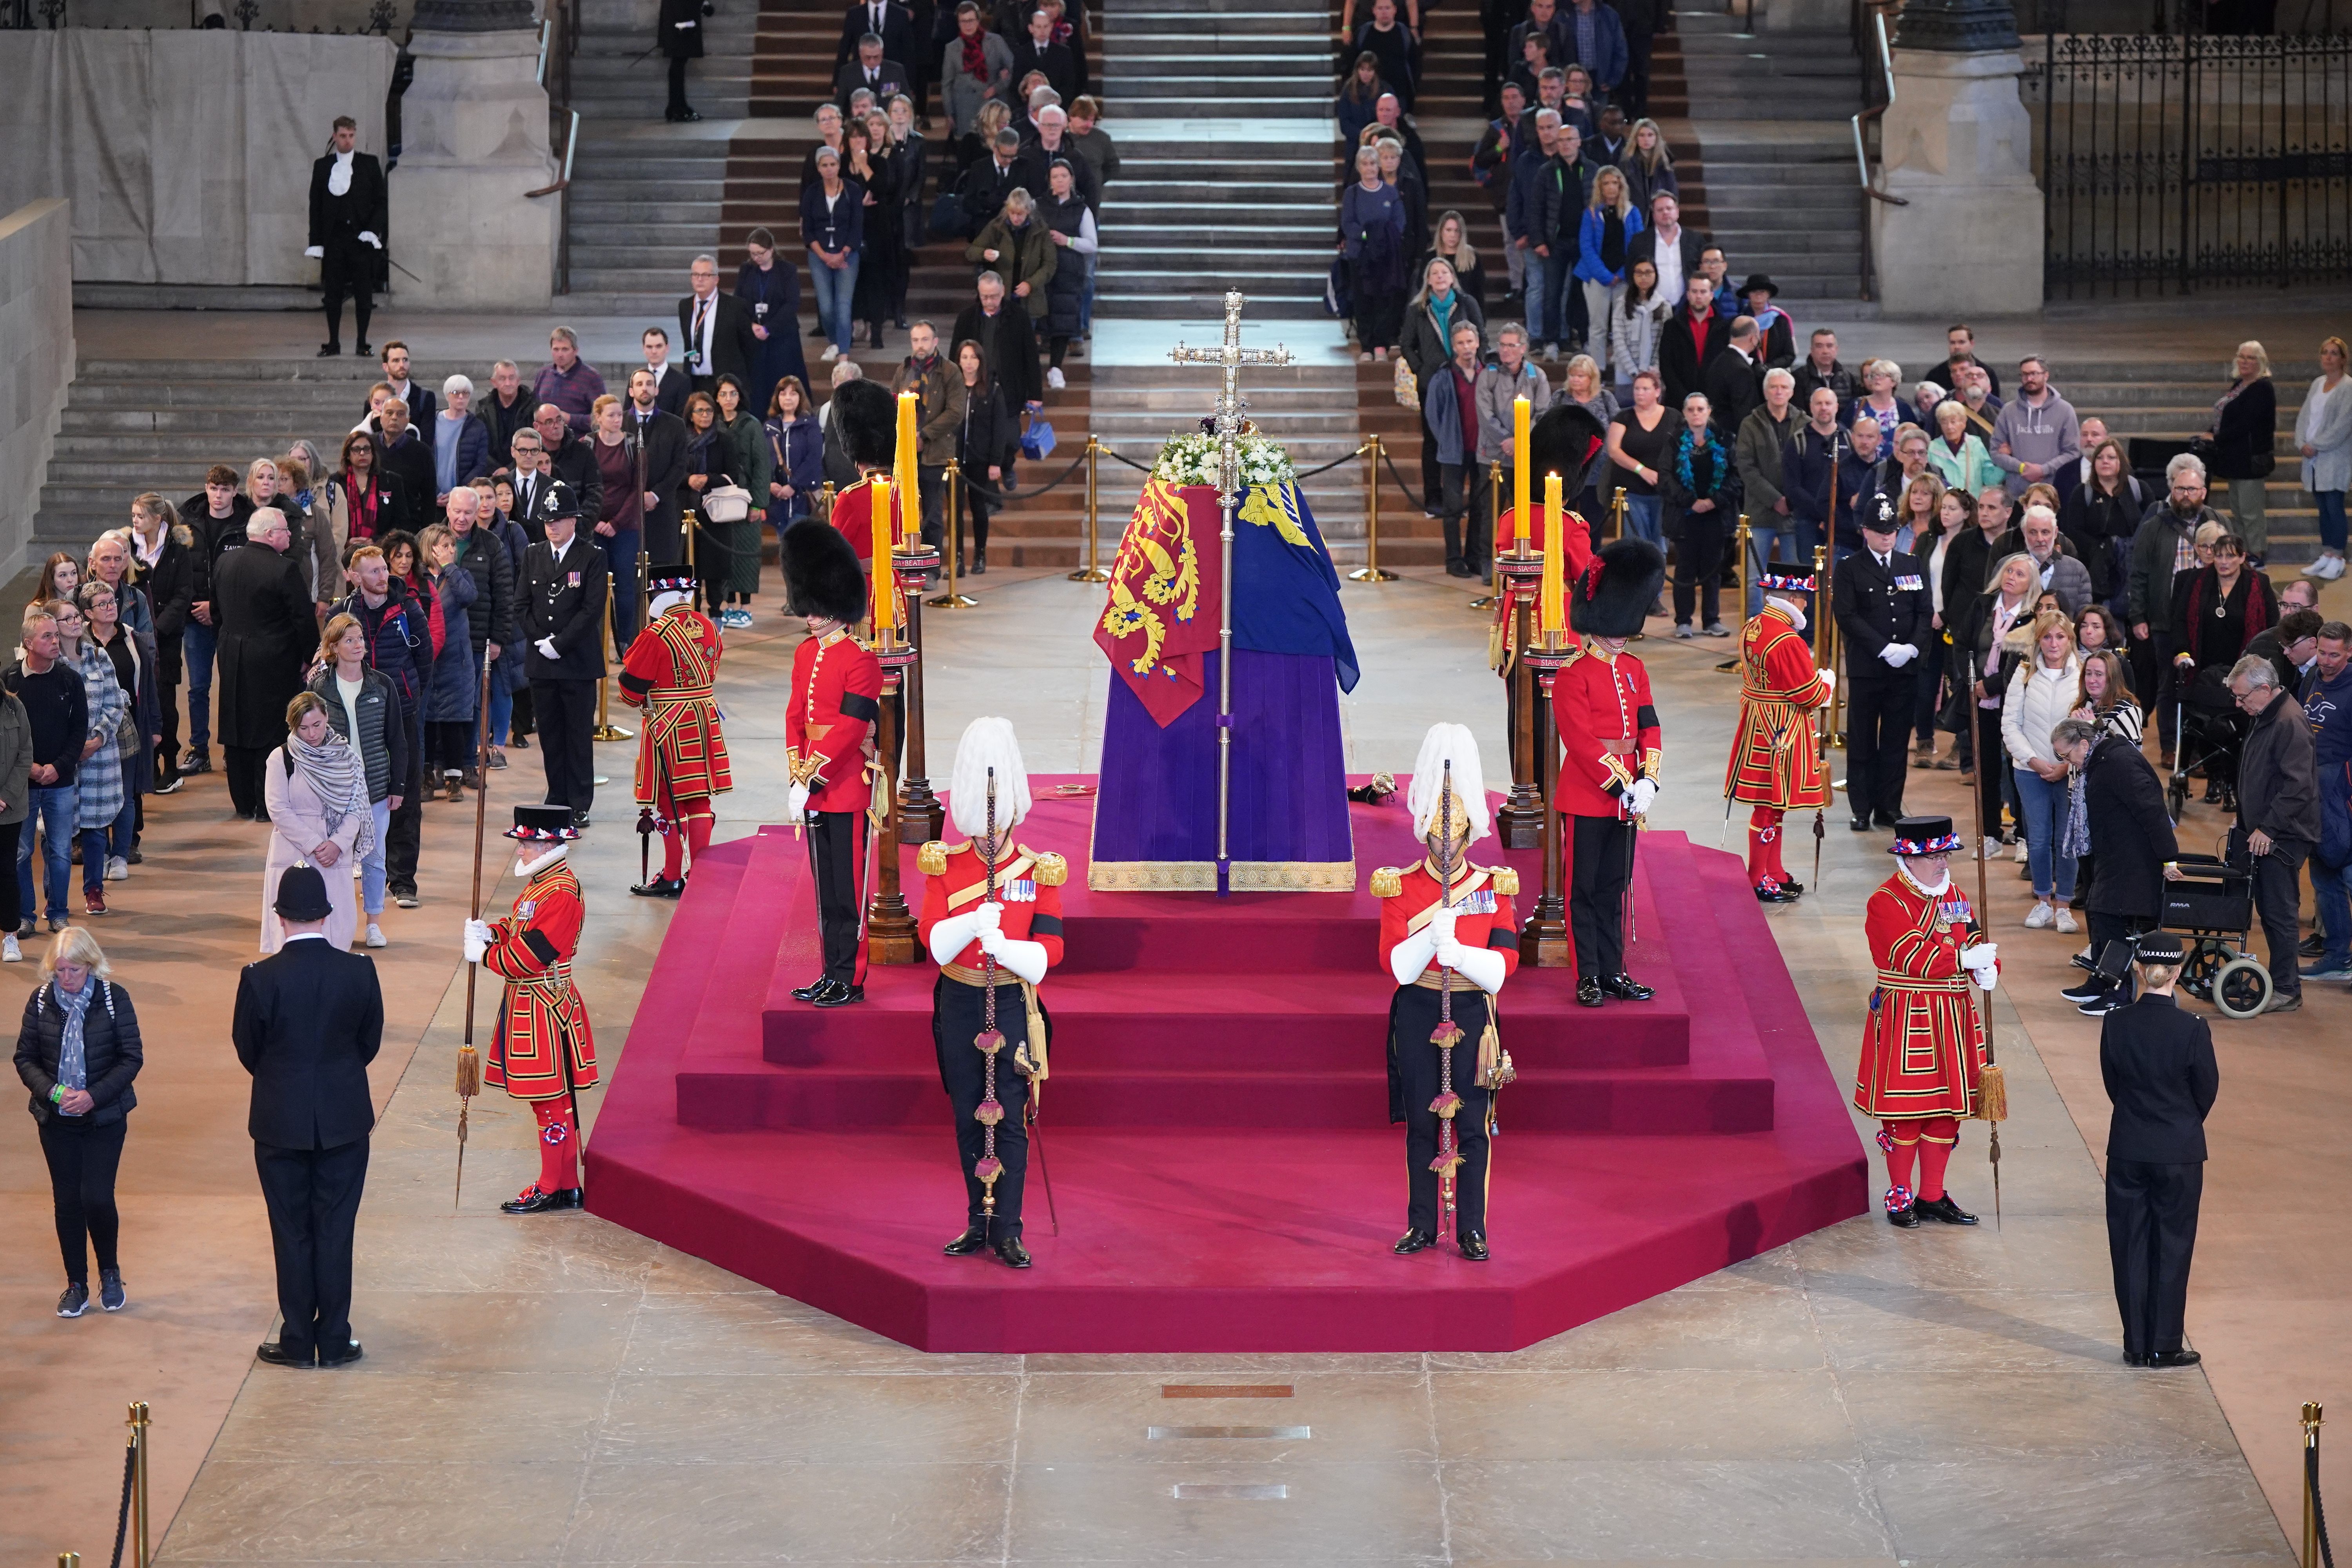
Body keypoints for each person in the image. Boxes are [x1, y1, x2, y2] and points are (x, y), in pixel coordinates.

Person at [913, 717, 1062, 1270]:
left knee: (1011, 1118)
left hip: (1014, 1006)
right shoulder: (946, 867)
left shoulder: (1037, 871)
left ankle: (1009, 1229)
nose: (989, 835)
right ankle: (977, 1220)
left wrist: (1007, 945)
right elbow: (933, 943)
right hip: (960, 1003)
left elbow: (1049, 955)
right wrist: (975, 924)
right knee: (967, 1115)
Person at [1371, 724, 1517, 1262]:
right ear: (1425, 834)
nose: (1448, 847)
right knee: (1420, 1124)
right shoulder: (1401, 885)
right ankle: (1422, 1225)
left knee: (1475, 1125)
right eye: (1438, 837)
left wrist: (1464, 957)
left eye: (1455, 838)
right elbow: (1395, 967)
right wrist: (1429, 939)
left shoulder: (1493, 885)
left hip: (1474, 1011)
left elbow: (1502, 970)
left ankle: (1473, 1228)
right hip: (1418, 1007)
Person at [235, 864, 382, 1367]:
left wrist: (284, 1080)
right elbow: (369, 1042)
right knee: (337, 1229)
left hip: (279, 1120)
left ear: (280, 919)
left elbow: (248, 1049)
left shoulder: (258, 978)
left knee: (290, 1229)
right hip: (344, 1120)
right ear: (326, 914)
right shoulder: (359, 971)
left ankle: (298, 1338)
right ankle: (336, 1339)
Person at [1854, 815, 1998, 1227]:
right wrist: (1961, 960)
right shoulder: (1886, 901)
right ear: (1909, 858)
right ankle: (1900, 1196)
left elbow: (1970, 936)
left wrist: (1985, 967)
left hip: (1952, 1016)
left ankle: (1932, 1195)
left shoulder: (1954, 893)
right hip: (1908, 1018)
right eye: (1934, 856)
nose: (1943, 863)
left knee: (1946, 1109)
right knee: (1906, 1111)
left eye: (1945, 854)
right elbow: (1908, 955)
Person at [465, 804, 599, 1212]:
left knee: (550, 1100)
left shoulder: (559, 891)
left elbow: (531, 955)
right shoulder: (544, 882)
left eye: (525, 842)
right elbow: (522, 925)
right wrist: (491, 932)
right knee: (553, 1100)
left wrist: (486, 956)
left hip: (544, 1004)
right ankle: (566, 1184)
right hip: (531, 1002)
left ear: (548, 843)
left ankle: (552, 1184)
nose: (520, 850)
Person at [1552, 538, 1666, 1007]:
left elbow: (1650, 726)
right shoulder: (1572, 675)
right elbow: (1579, 742)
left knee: (1615, 888)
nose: (1623, 636)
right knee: (1583, 889)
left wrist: (1649, 780)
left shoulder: (1635, 669)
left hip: (1628, 799)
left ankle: (1615, 969)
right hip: (1589, 795)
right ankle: (1589, 975)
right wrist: (1621, 783)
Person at [2096, 931, 2216, 1367]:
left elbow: (2114, 1083)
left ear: (2140, 971)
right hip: (2179, 1151)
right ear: (2179, 973)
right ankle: (2166, 1344)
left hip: (2128, 1146)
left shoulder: (2116, 1023)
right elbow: (2206, 1090)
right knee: (2173, 1245)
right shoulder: (2193, 1029)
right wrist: (2179, 1124)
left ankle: (2135, 1343)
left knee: (2129, 1244)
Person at [15, 927, 142, 1318]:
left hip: (104, 1116)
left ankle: (110, 1271)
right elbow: (26, 1059)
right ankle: (76, 1283)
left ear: (91, 964)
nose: (65, 978)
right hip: (56, 1119)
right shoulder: (40, 1002)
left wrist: (93, 1095)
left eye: (73, 970)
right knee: (68, 1201)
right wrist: (54, 1093)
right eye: (59, 970)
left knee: (98, 1196)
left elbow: (131, 1058)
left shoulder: (114, 999)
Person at [784, 523, 884, 1008]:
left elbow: (848, 731)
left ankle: (851, 976)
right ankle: (830, 972)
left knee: (848, 893)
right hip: (814, 787)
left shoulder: (861, 660)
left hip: (845, 789)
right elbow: (795, 718)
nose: (809, 615)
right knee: (826, 893)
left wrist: (814, 775)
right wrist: (797, 776)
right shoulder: (806, 654)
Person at [619, 573, 731, 898]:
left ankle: (671, 875)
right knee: (699, 796)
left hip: (669, 724)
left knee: (670, 800)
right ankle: (700, 873)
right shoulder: (709, 626)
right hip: (705, 717)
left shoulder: (654, 634)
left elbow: (631, 689)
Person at [1728, 572, 1833, 901]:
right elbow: (1807, 694)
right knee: (1768, 805)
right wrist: (1826, 683)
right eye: (1803, 599)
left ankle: (1773, 870)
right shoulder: (1787, 639)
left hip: (1761, 723)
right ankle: (1758, 875)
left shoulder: (1754, 626)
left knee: (1775, 804)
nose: (1806, 604)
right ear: (1791, 599)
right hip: (1782, 730)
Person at [2225, 654, 2320, 1014]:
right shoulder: (2267, 715)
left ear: (2265, 689)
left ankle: (2286, 988)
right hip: (2263, 831)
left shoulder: (2288, 721)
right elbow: (2259, 776)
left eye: (2243, 697)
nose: (2239, 704)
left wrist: (2267, 827)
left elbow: (2299, 787)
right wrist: (2245, 820)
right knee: (2268, 909)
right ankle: (2281, 981)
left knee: (2280, 912)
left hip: (2284, 836)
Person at [309, 615, 403, 950]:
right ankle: (333, 921)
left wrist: (398, 787)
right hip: (334, 790)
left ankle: (374, 922)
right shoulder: (319, 688)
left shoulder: (382, 684)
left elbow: (397, 739)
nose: (358, 644)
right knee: (334, 856)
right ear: (333, 648)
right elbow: (308, 737)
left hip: (376, 788)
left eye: (360, 637)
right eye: (349, 640)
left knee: (375, 856)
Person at [1837, 497, 1931, 832]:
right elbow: (1847, 615)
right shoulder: (1850, 567)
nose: (1887, 537)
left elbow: (1924, 613)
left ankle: (1889, 806)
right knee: (1862, 739)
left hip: (1903, 669)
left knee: (1894, 741)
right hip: (1868, 668)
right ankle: (1861, 808)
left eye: (1891, 530)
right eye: (1879, 531)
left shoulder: (1912, 564)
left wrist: (1911, 648)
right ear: (1866, 532)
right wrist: (1883, 647)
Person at [520, 484, 607, 830]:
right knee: (551, 735)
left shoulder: (591, 556)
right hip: (543, 662)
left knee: (577, 734)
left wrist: (561, 643)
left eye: (558, 520)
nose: (552, 527)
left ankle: (580, 801)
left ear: (573, 520)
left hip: (577, 662)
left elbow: (591, 609)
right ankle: (557, 795)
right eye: (547, 521)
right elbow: (521, 605)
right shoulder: (533, 555)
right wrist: (541, 641)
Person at [2171, 530, 2277, 805]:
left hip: (2243, 673)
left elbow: (2271, 630)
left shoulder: (2259, 584)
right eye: (2219, 556)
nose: (2224, 562)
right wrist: (2182, 653)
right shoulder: (2196, 581)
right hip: (2202, 669)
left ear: (2243, 557)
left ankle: (2232, 782)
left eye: (2231, 556)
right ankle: (2214, 779)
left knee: (2236, 726)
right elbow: (2181, 621)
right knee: (2205, 722)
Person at [260, 693, 371, 953]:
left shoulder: (347, 758)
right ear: (293, 726)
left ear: (327, 718)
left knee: (337, 934)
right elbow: (278, 808)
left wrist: (337, 844)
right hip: (293, 851)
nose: (312, 734)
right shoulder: (281, 758)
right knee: (291, 935)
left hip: (334, 855)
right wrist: (316, 845)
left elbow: (357, 806)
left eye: (317, 725)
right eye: (304, 728)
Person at [7, 610, 88, 938]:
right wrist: (31, 769)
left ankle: (57, 913)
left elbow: (78, 731)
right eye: (47, 637)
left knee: (59, 851)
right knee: (22, 851)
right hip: (21, 786)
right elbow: (5, 737)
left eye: (56, 635)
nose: (56, 642)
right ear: (28, 644)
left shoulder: (70, 680)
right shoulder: (10, 682)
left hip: (60, 782)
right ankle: (24, 915)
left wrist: (58, 767)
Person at [2003, 612, 2083, 931]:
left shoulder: (2081, 676)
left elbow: (2088, 727)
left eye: (2060, 637)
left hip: (2071, 772)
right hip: (2029, 771)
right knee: (2038, 840)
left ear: (2070, 641)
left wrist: (2067, 764)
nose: (2054, 644)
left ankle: (2064, 905)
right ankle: (2042, 902)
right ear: (2038, 641)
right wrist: (2033, 760)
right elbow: (2010, 725)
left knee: (2068, 840)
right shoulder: (2023, 675)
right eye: (2047, 637)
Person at [48, 597, 128, 919]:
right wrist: (70, 747)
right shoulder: (51, 665)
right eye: (67, 619)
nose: (76, 623)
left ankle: (94, 890)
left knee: (96, 828)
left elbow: (115, 701)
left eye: (77, 617)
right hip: (61, 757)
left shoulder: (98, 657)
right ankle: (55, 898)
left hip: (98, 755)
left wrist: (97, 738)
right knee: (55, 830)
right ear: (53, 627)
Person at [1958, 553, 2039, 854]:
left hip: (2013, 701)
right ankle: (1989, 835)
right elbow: (1963, 645)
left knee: (2018, 767)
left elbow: (2023, 660)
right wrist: (1971, 683)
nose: (2012, 577)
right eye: (2009, 571)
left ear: (2031, 585)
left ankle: (2022, 836)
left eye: (2020, 574)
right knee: (1986, 768)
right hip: (1977, 699)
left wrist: (1990, 686)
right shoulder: (1982, 606)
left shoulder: (2032, 615)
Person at [81, 580, 158, 884]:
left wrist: (156, 725)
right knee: (94, 797)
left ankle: (121, 856)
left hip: (127, 728)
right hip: (90, 733)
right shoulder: (81, 642)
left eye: (112, 601)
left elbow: (148, 685)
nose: (111, 606)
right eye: (103, 604)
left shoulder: (132, 638)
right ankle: (98, 855)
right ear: (88, 612)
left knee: (125, 796)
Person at [303, 116, 385, 358]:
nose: (347, 140)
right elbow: (315, 207)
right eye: (343, 136)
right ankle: (333, 343)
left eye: (351, 136)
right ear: (334, 136)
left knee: (364, 293)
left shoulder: (369, 165)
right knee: (333, 294)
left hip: (360, 240)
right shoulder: (322, 166)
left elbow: (381, 202)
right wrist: (316, 241)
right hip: (334, 240)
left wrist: (372, 231)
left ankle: (362, 342)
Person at [1660, 390, 1739, 637]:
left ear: (1709, 412)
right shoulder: (1673, 441)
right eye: (1691, 410)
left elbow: (1736, 477)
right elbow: (1665, 477)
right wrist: (1691, 502)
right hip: (1685, 516)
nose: (1696, 414)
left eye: (1701, 409)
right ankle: (1683, 620)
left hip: (1716, 516)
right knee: (1685, 570)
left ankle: (1711, 620)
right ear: (1684, 413)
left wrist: (1713, 501)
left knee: (1712, 571)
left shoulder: (1725, 440)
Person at [1423, 320, 1493, 581]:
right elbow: (1433, 415)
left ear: (1477, 343)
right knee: (1452, 507)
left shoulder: (1488, 373)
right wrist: (1447, 441)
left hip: (1483, 452)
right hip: (1454, 452)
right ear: (1454, 347)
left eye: (1470, 341)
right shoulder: (1444, 376)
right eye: (1461, 343)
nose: (1466, 347)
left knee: (1479, 505)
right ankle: (1453, 559)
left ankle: (1474, 556)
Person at [416, 524, 480, 803]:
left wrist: (449, 568)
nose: (451, 550)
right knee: (427, 722)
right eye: (444, 546)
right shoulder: (417, 579)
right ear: (430, 548)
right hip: (428, 660)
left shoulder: (460, 574)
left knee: (455, 722)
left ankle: (454, 780)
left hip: (457, 660)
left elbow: (469, 597)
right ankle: (427, 777)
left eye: (452, 546)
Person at [947, 338, 1017, 574]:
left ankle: (980, 555)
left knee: (978, 507)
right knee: (955, 510)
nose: (969, 363)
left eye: (973, 357)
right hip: (954, 461)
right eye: (964, 357)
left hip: (980, 459)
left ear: (981, 361)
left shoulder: (993, 390)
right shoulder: (953, 388)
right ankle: (957, 559)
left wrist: (996, 462)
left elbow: (1000, 429)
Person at [2206, 340, 2278, 561]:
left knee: (2251, 514)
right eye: (2242, 356)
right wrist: (2210, 433)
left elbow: (2245, 423)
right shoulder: (2240, 384)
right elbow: (2226, 417)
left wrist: (2216, 437)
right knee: (2238, 513)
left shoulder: (2262, 388)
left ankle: (2257, 555)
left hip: (2250, 462)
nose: (2245, 361)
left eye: (2251, 358)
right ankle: (2243, 553)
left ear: (2261, 362)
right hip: (2234, 461)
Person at [1341, 144, 1408, 362]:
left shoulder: (1390, 192)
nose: (1369, 168)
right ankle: (1367, 346)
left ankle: (1382, 345)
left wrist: (1382, 239)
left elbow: (1399, 222)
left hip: (1386, 258)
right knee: (1363, 301)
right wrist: (1367, 237)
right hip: (1360, 257)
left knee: (1384, 301)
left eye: (1373, 163)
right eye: (1365, 164)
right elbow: (1348, 224)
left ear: (1379, 166)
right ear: (1359, 168)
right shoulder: (1352, 194)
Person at [951, 267, 1044, 413]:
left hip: (1010, 392)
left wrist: (1035, 394)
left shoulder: (1019, 317)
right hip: (975, 390)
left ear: (1003, 291)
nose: (989, 302)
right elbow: (955, 357)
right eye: (985, 297)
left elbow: (1031, 357)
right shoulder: (966, 318)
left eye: (994, 296)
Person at [802, 147, 865, 364]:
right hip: (819, 256)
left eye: (833, 165)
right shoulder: (811, 193)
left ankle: (844, 356)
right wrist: (824, 256)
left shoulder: (853, 190)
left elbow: (857, 227)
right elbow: (808, 230)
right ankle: (835, 342)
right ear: (818, 168)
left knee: (843, 304)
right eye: (824, 165)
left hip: (847, 254)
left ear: (839, 166)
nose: (829, 169)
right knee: (826, 306)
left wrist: (843, 253)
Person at [2297, 335, 2351, 582]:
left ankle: (2338, 557)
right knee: (2322, 509)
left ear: (2343, 359)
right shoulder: (2318, 383)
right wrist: (2301, 443)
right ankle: (2326, 554)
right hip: (2313, 457)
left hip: (2334, 456)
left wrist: (2316, 445)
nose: (2328, 357)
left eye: (2334, 353)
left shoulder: (2348, 387)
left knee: (2334, 506)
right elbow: (2305, 416)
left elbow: (2343, 425)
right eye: (2325, 352)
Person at [1991, 355, 2080, 497]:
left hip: (2054, 493)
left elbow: (2073, 452)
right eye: (2025, 374)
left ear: (2046, 376)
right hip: (2017, 494)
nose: (2029, 379)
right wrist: (2022, 468)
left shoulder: (2065, 410)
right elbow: (1995, 452)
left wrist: (2043, 470)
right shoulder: (2009, 411)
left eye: (2034, 374)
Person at [1604, 368, 1672, 555]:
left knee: (1660, 547)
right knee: (1635, 547)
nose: (1640, 393)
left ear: (1658, 392)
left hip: (1663, 492)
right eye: (1637, 389)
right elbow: (1614, 450)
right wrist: (1641, 470)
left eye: (1645, 389)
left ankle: (1656, 585)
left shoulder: (1674, 417)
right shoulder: (1623, 417)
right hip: (1632, 492)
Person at [1606, 258, 1669, 405]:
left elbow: (1663, 344)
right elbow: (1619, 341)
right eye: (1639, 273)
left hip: (1654, 373)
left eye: (1648, 273)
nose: (1644, 277)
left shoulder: (1663, 306)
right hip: (1626, 371)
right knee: (1626, 412)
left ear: (1656, 275)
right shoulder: (1622, 305)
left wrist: (1653, 371)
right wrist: (1634, 372)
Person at [657, 0, 706, 120]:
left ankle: (677, 106)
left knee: (678, 64)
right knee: (678, 64)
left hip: (681, 19)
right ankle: (677, 108)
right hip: (681, 21)